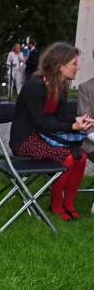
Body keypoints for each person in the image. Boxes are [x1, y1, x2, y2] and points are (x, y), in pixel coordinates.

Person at [10, 42, 94, 220]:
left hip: (46, 137)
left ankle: (69, 203)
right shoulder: (35, 85)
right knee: (69, 158)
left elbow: (59, 118)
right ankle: (56, 204)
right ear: (60, 65)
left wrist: (76, 120)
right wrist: (72, 126)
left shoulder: (61, 86)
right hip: (26, 141)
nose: (77, 67)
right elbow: (42, 123)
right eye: (74, 64)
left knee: (82, 156)